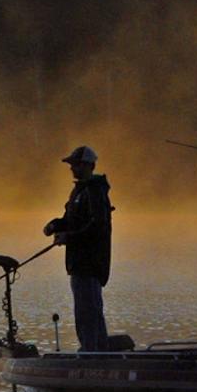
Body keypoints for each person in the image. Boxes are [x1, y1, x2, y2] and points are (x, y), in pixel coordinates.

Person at [43, 145, 114, 351]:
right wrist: (55, 225)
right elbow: (70, 220)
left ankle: (91, 355)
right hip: (77, 264)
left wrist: (68, 238)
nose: (72, 168)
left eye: (76, 164)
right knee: (85, 310)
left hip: (90, 264)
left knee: (88, 312)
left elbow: (97, 228)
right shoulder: (79, 191)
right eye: (72, 164)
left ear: (89, 165)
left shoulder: (95, 191)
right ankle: (97, 352)